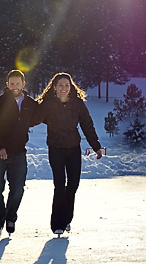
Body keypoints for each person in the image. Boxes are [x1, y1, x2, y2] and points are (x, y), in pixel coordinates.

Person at [33, 72, 103, 235]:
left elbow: (87, 125)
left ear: (71, 88)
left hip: (73, 148)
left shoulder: (78, 104)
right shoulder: (48, 104)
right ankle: (57, 223)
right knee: (59, 184)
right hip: (55, 148)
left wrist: (96, 146)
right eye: (60, 85)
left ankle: (67, 219)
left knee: (73, 185)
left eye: (67, 85)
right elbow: (35, 119)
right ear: (54, 88)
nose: (64, 88)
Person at [0, 70, 39, 236]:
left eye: (18, 83)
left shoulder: (29, 103)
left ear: (23, 84)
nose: (15, 87)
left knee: (18, 189)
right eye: (12, 84)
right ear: (7, 85)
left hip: (18, 153)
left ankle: (10, 217)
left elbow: (39, 116)